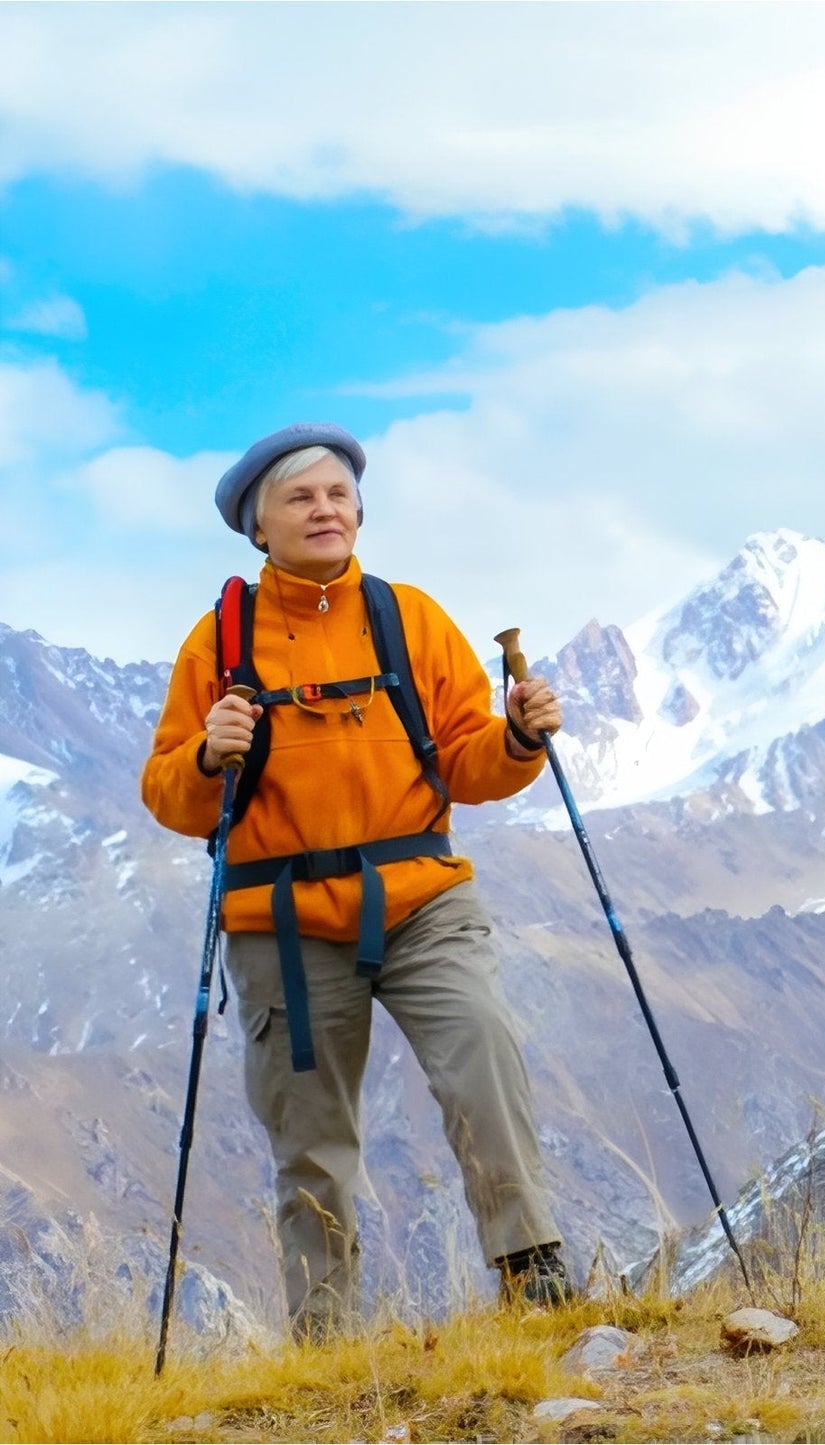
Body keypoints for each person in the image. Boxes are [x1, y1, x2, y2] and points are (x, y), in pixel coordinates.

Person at [142, 421, 573, 1336]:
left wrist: (517, 738)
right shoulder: (216, 644)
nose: (324, 509)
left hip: (423, 899)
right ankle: (326, 1337)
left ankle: (533, 1273)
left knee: (483, 1058)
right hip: (282, 922)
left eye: (338, 494)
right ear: (258, 526)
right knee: (310, 1137)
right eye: (299, 498)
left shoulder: (410, 618)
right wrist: (207, 758)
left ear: (360, 511)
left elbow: (466, 762)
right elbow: (169, 795)